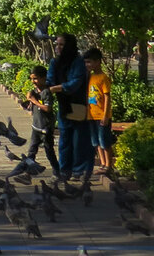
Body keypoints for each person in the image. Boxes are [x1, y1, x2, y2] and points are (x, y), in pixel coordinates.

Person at [47, 33, 91, 181]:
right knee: (64, 139)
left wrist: (57, 88)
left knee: (78, 140)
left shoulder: (78, 61)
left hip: (77, 104)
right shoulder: (55, 62)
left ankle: (78, 170)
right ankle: (64, 170)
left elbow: (76, 83)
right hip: (63, 105)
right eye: (57, 44)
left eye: (61, 45)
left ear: (69, 46)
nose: (58, 48)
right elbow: (50, 80)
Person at [21, 66, 60, 178]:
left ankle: (57, 171)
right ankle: (28, 173)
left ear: (44, 78)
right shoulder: (34, 91)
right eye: (32, 79)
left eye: (36, 79)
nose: (33, 81)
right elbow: (31, 107)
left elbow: (47, 108)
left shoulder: (46, 92)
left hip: (45, 127)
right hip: (36, 126)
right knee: (31, 151)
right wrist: (28, 103)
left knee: (49, 151)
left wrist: (34, 100)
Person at [84, 48, 113, 175]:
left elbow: (107, 97)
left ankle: (108, 165)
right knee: (95, 141)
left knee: (104, 141)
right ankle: (102, 163)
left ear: (98, 62)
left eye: (89, 62)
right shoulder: (89, 77)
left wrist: (106, 115)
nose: (87, 65)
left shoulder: (103, 78)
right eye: (86, 62)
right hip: (91, 115)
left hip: (102, 115)